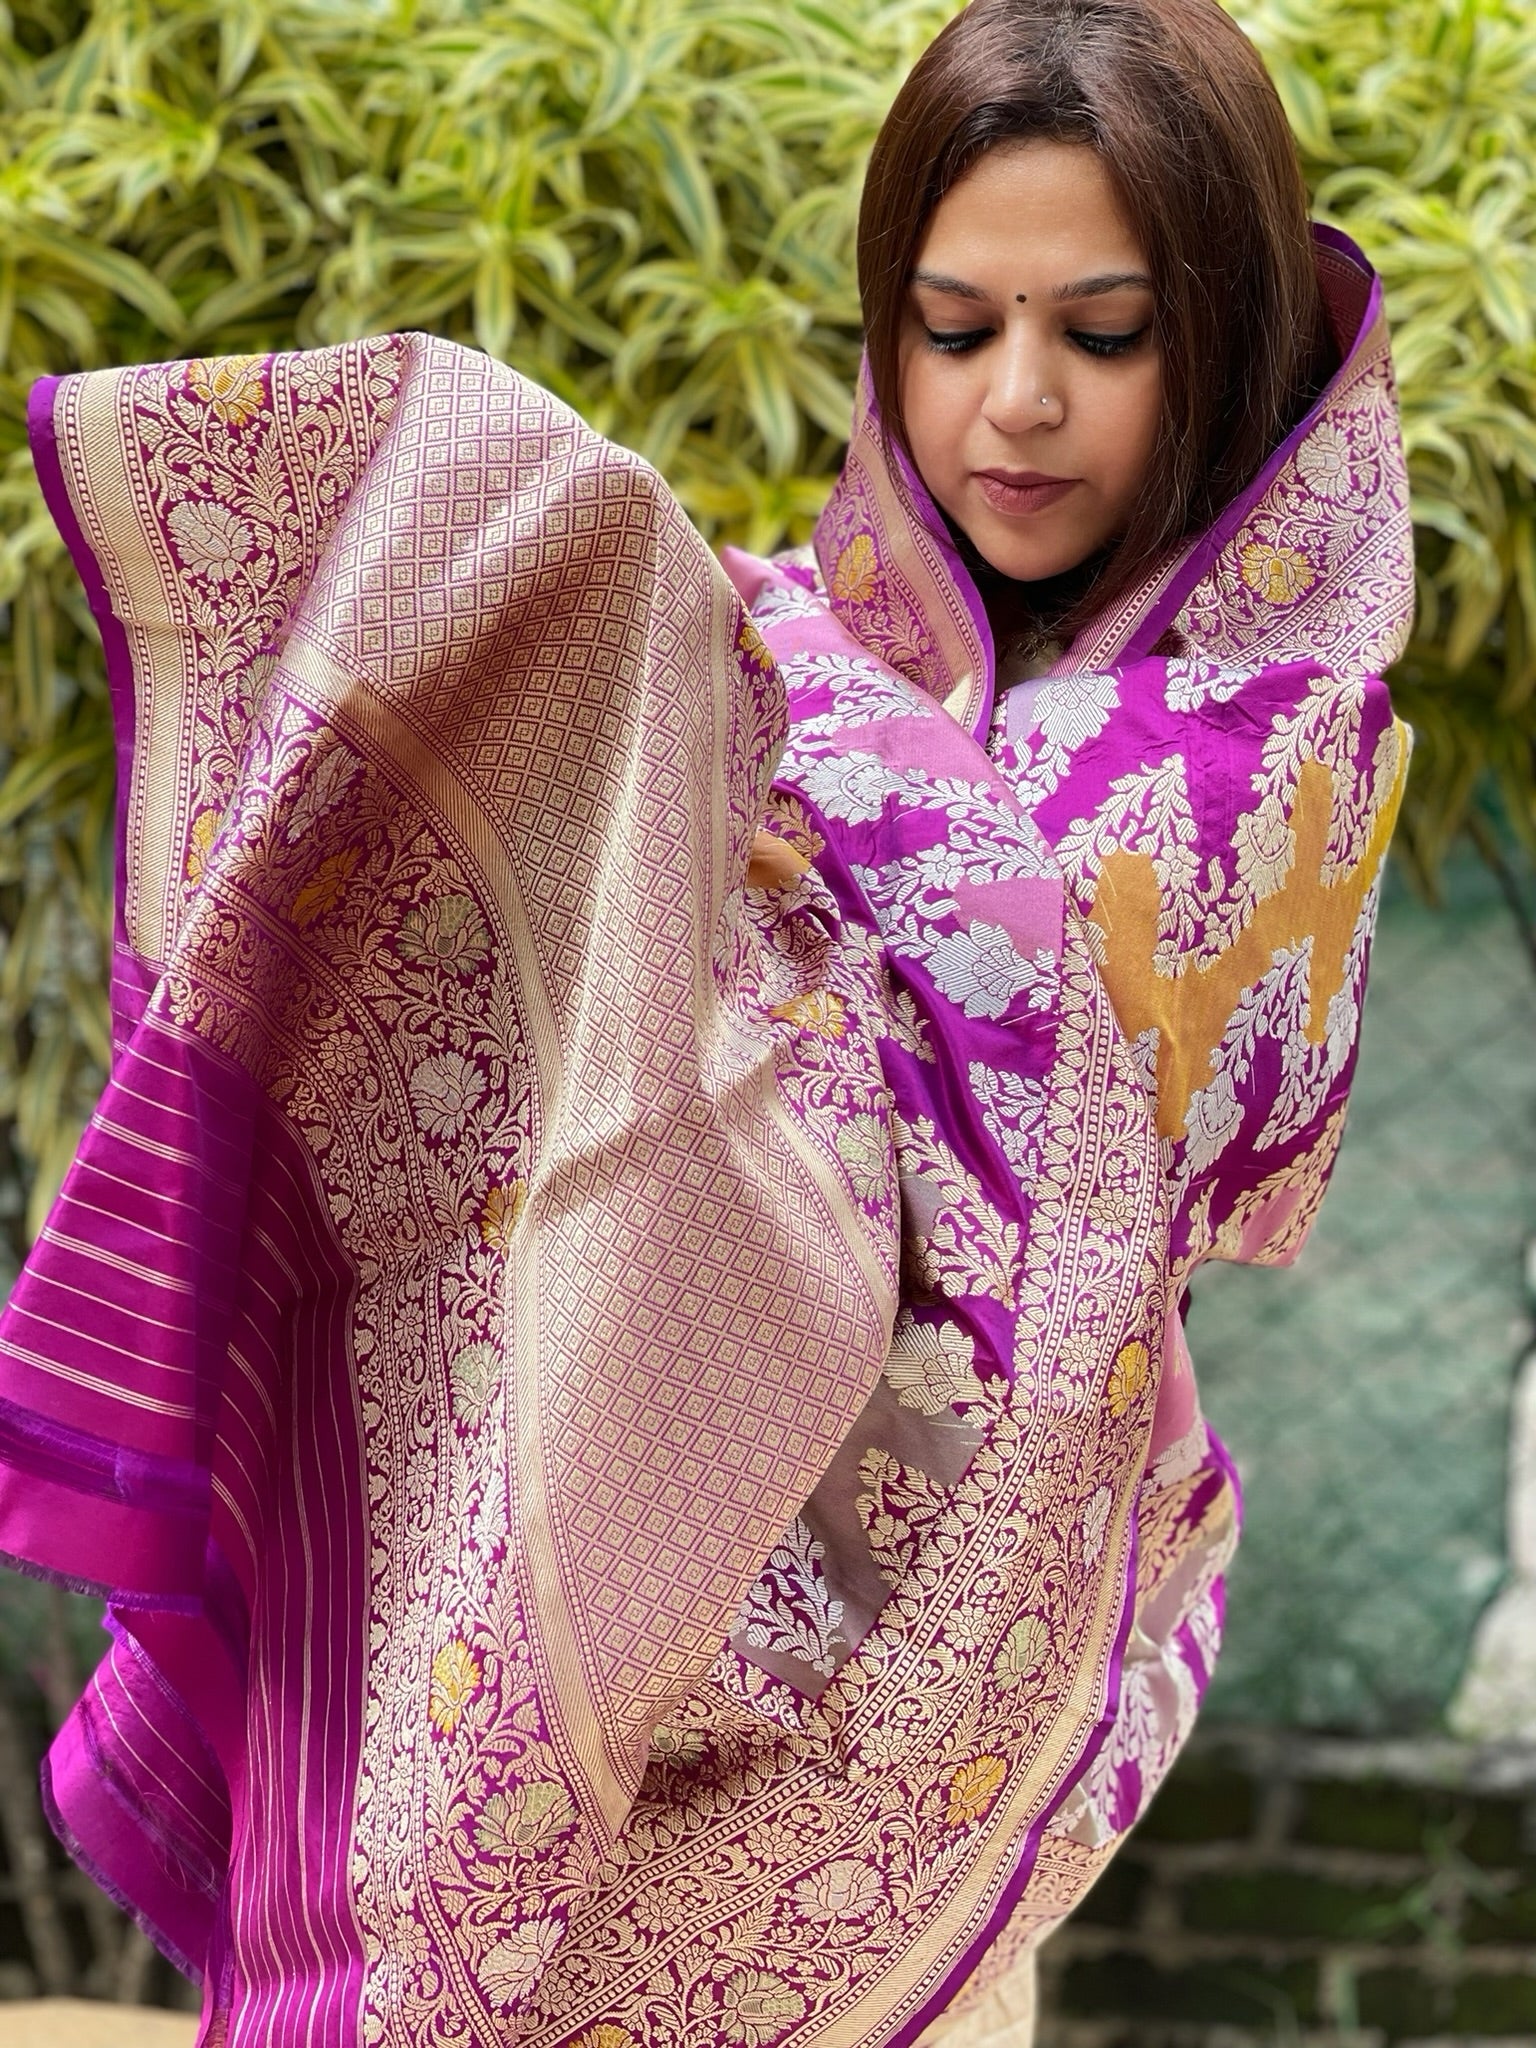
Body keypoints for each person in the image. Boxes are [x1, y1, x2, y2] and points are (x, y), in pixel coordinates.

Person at [0, 0, 1411, 2042]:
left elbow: (1048, 1184)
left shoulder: (1263, 765)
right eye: (952, 327)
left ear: (1230, 332)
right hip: (633, 1579)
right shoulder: (798, 660)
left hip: (950, 1701)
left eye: (1102, 336)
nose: (1014, 404)